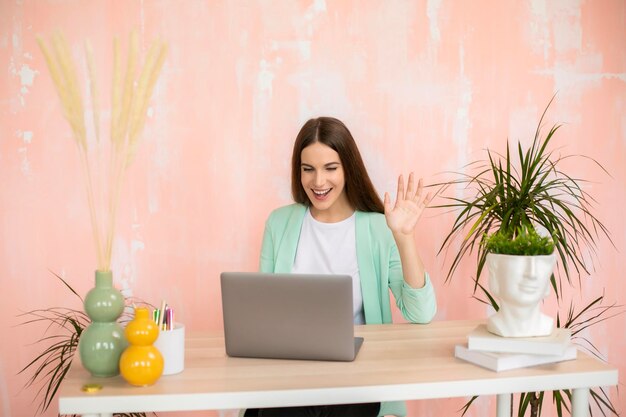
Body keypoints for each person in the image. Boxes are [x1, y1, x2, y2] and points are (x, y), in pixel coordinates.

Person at [247, 117, 437, 417]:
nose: (318, 182)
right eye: (308, 169)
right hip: (292, 377)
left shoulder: (378, 228)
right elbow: (263, 315)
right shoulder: (279, 223)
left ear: (348, 168)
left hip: (358, 380)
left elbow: (421, 313)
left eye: (330, 168)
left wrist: (404, 237)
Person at [486, 253, 556, 337]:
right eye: (518, 261)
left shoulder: (546, 326)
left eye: (540, 262)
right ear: (494, 270)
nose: (531, 274)